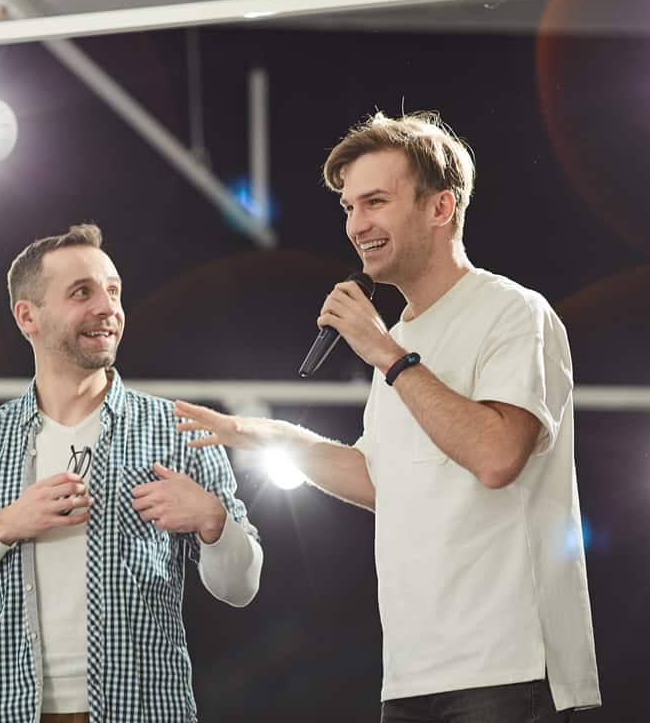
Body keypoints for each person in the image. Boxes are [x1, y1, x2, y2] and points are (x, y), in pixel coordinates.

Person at [176, 112, 600, 722]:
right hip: (411, 672)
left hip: (510, 667)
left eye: (375, 202)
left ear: (440, 208)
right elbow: (381, 481)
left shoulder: (511, 313)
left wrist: (387, 355)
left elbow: (498, 456)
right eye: (349, 208)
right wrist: (255, 433)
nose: (357, 225)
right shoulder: (396, 340)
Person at [0, 223, 263, 723]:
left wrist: (214, 521)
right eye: (81, 292)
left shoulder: (180, 431)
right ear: (28, 316)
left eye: (113, 291)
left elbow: (240, 588)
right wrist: (5, 526)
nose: (107, 308)